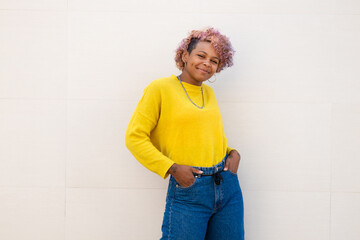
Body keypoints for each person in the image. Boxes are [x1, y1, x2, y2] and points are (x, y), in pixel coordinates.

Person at [125, 27, 244, 240]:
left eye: (214, 60)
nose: (207, 63)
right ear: (185, 55)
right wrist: (172, 168)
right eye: (201, 55)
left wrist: (232, 153)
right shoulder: (160, 88)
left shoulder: (209, 92)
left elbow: (208, 136)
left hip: (227, 186)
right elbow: (134, 137)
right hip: (190, 190)